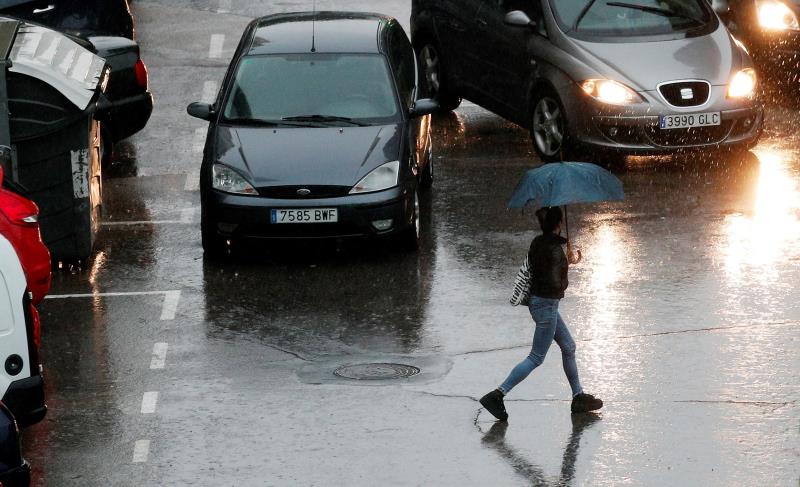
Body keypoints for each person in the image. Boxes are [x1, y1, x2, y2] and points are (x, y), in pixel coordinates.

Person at [480, 206, 602, 421]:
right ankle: (497, 395)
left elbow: (543, 269)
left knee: (569, 347)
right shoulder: (554, 249)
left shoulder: (539, 242)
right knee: (536, 357)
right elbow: (556, 283)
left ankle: (578, 396)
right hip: (547, 306)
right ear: (558, 224)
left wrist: (566, 260)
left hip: (540, 304)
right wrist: (566, 263)